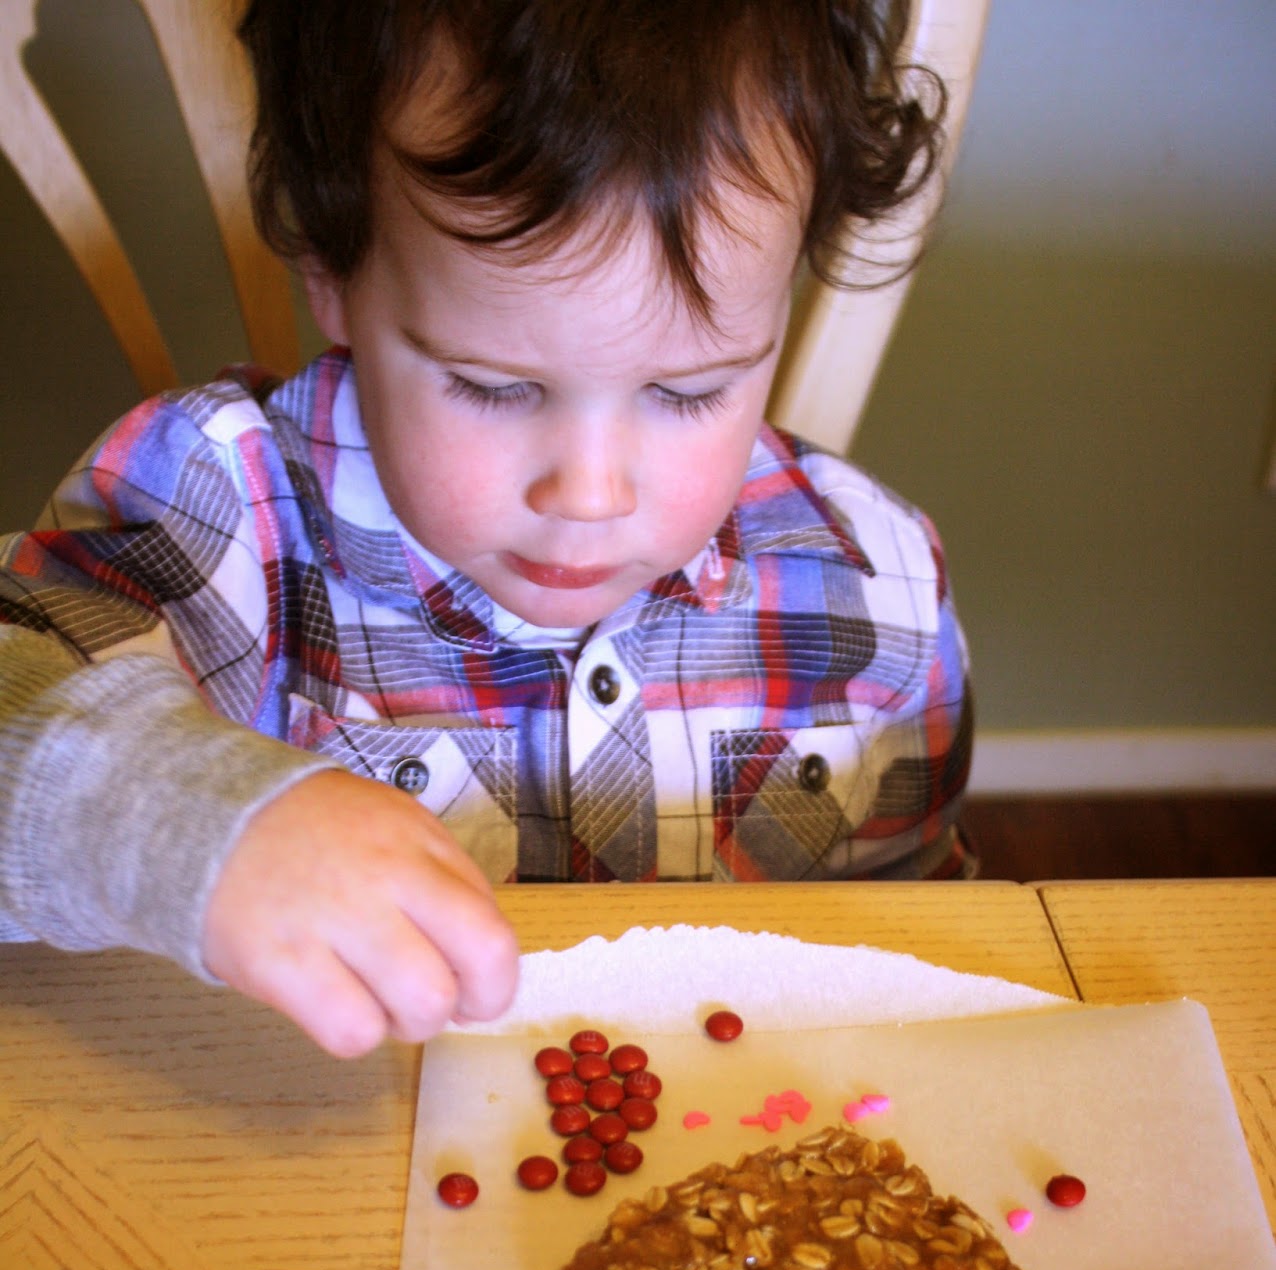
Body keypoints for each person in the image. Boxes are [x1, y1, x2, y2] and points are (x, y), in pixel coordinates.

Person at [0, 0, 972, 1059]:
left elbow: (930, 946)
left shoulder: (875, 588)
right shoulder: (216, 507)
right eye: (493, 387)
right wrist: (184, 822)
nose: (589, 493)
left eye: (690, 391)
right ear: (333, 268)